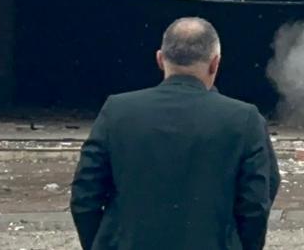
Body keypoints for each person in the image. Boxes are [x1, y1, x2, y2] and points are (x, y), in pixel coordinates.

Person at [70, 17, 280, 250]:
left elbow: (85, 196)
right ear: (215, 63)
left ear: (160, 59)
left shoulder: (117, 111)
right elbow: (256, 205)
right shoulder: (245, 119)